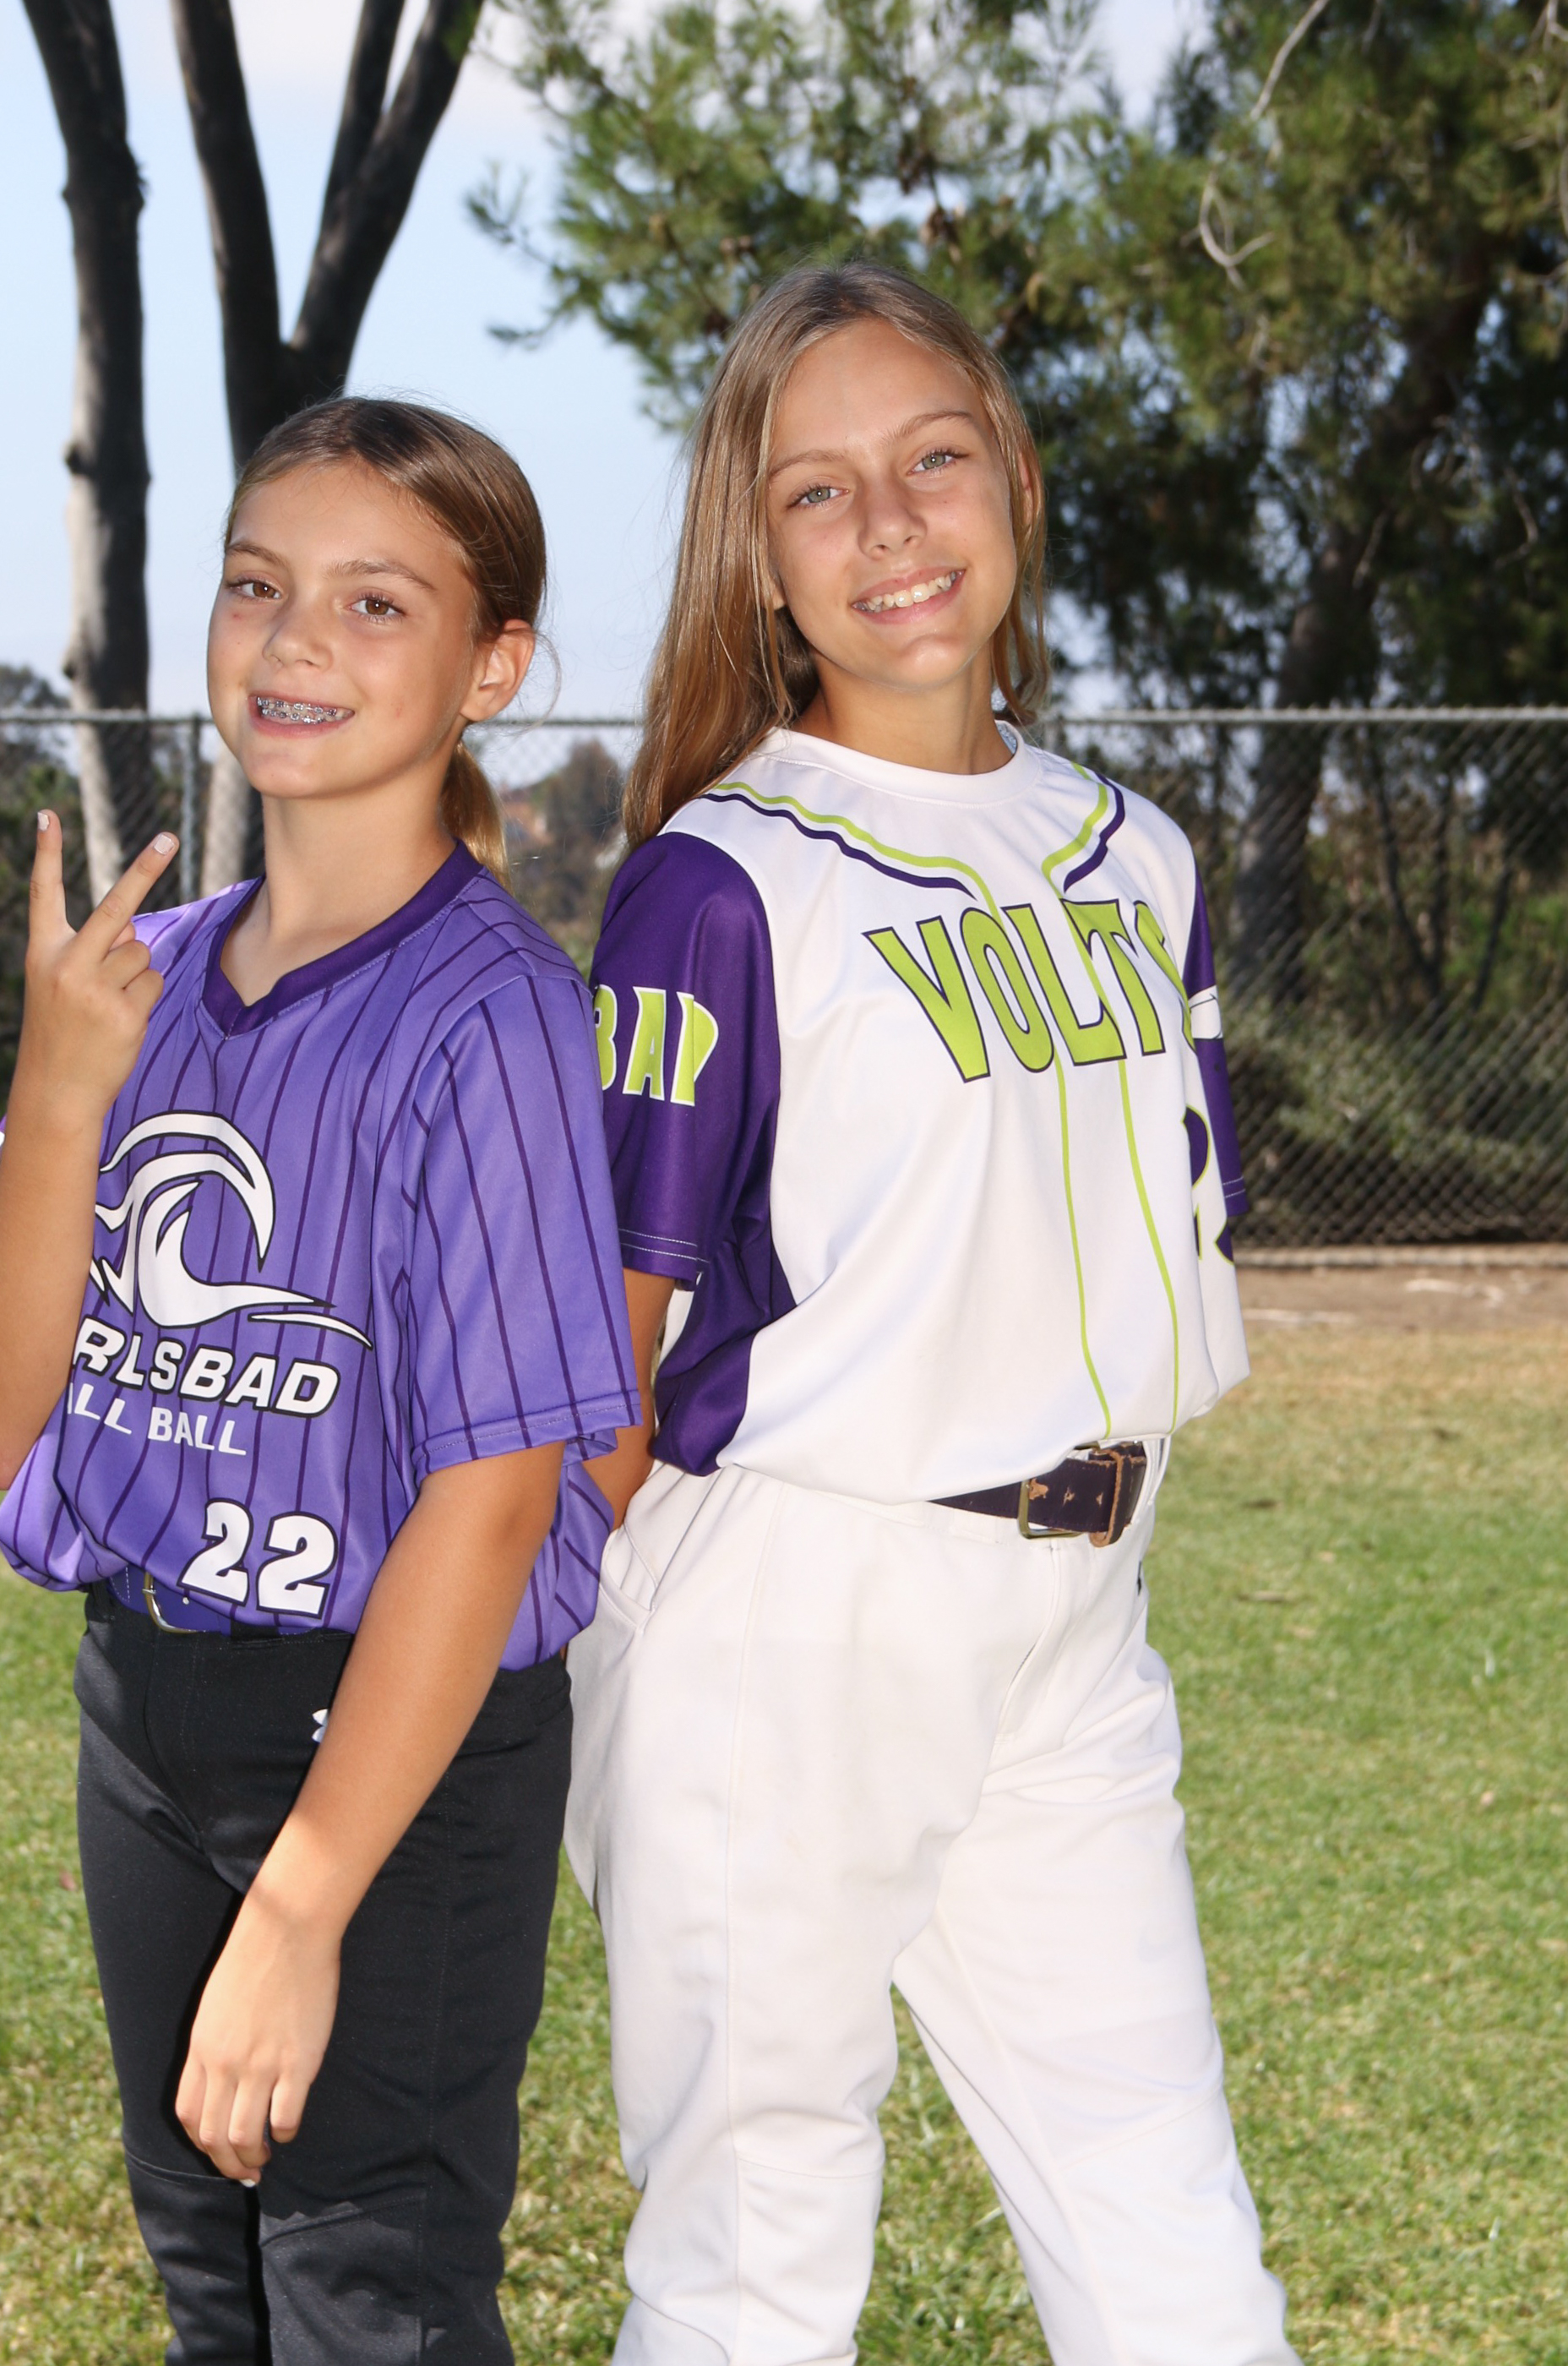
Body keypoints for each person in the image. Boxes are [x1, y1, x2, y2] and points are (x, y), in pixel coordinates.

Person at [574, 265, 1299, 2366]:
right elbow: (610, 1336)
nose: (889, 526)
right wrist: (479, 1682)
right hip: (789, 1617)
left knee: (1171, 2237)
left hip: (1078, 1601)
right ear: (759, 558)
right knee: (753, 2265)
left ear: (1016, 480)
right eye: (818, 490)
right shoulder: (718, 879)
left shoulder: (1134, 850)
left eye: (933, 458)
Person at [0, 398, 639, 2365]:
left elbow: (496, 1500)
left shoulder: (493, 1011)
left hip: (389, 1739)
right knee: (215, 2294)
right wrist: (59, 1088)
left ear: (492, 665)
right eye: (257, 583)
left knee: (364, 2298)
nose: (295, 636)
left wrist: (308, 1901)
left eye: (375, 600)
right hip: (147, 1708)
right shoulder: (135, 982)